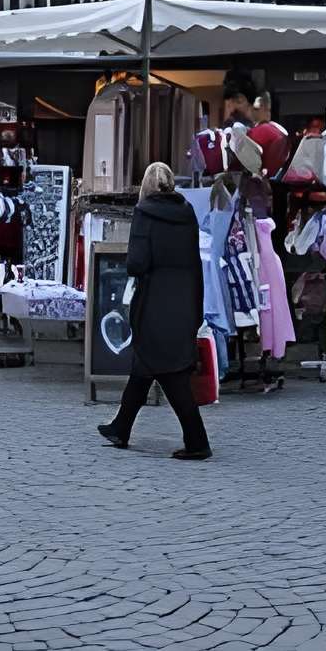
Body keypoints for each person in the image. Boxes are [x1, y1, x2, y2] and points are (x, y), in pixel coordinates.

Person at [98, 161, 211, 460]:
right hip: (184, 301)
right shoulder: (187, 213)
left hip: (154, 302)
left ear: (146, 186)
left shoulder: (144, 213)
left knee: (171, 375)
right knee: (145, 366)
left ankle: (198, 442)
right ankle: (120, 427)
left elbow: (136, 263)